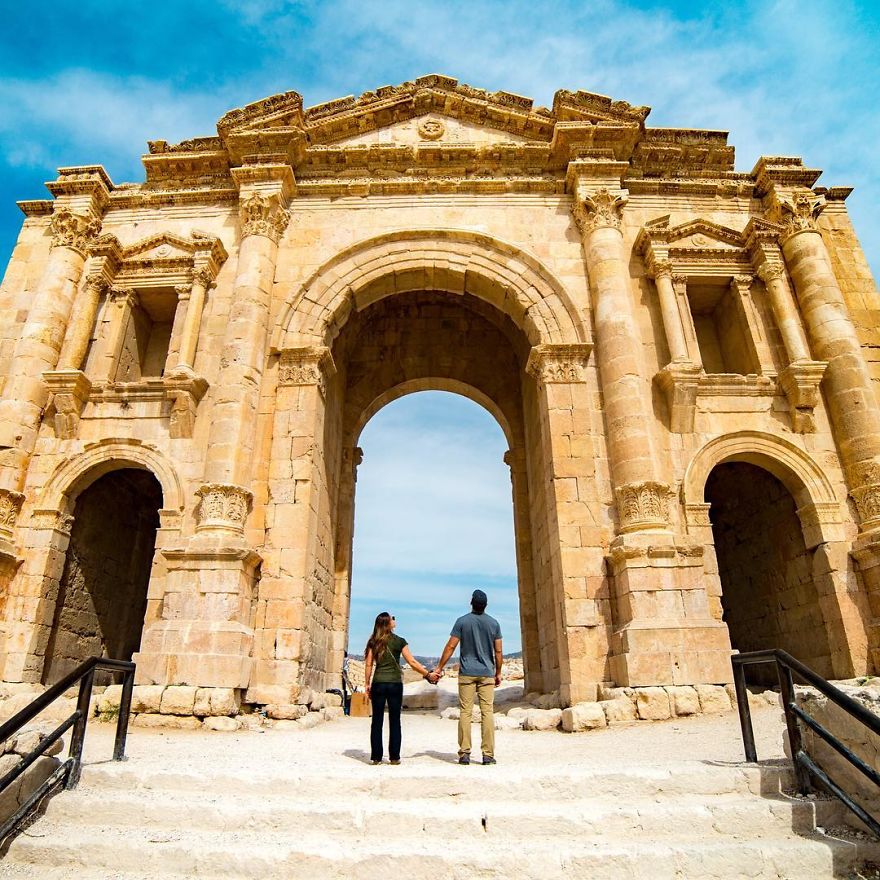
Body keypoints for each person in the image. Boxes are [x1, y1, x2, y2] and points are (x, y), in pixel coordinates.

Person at [433, 589, 503, 765]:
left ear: (471, 603)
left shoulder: (462, 621)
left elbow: (451, 646)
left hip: (467, 673)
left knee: (466, 712)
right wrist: (498, 672)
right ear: (485, 605)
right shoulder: (494, 624)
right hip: (486, 673)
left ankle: (464, 753)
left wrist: (440, 667)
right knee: (487, 712)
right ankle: (488, 754)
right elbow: (498, 651)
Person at [364, 611, 436, 765]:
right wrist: (427, 674)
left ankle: (376, 757)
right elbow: (412, 662)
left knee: (377, 720)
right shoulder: (399, 641)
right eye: (392, 619)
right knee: (395, 720)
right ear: (388, 624)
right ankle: (394, 757)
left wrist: (367, 683)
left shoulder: (373, 642)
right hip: (395, 684)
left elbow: (369, 664)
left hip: (378, 683)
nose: (394, 620)